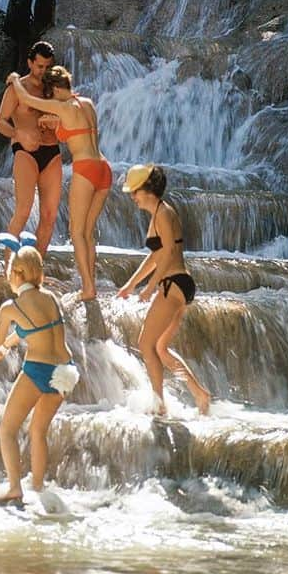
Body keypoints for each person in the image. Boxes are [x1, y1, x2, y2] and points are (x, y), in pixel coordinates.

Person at [0, 246, 79, 506]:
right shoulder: (49, 298)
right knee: (38, 430)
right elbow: (36, 329)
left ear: (16, 274)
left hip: (38, 369)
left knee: (8, 430)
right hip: (65, 371)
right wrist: (7, 348)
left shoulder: (10, 307)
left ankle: (14, 488)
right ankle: (37, 486)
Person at [6, 65, 111, 301]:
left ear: (54, 88)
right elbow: (78, 128)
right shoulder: (86, 103)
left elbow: (24, 97)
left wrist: (14, 78)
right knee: (88, 232)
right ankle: (90, 283)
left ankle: (87, 289)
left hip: (85, 168)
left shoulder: (61, 106)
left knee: (76, 233)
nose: (49, 98)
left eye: (49, 93)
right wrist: (56, 124)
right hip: (104, 168)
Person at [117, 163, 210, 416]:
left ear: (147, 190)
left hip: (174, 283)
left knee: (145, 344)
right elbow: (156, 256)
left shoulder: (164, 214)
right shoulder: (159, 213)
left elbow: (168, 253)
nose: (133, 197)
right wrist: (131, 284)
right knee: (159, 348)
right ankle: (200, 394)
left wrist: (148, 289)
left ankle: (159, 406)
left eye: (134, 191)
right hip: (178, 284)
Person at [0, 40, 63, 256]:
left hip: (52, 151)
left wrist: (57, 122)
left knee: (50, 215)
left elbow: (70, 118)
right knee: (23, 211)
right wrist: (18, 134)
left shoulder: (54, 89)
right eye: (40, 66)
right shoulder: (17, 88)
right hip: (25, 152)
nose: (43, 71)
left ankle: (37, 268)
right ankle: (8, 267)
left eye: (47, 67)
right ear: (30, 63)